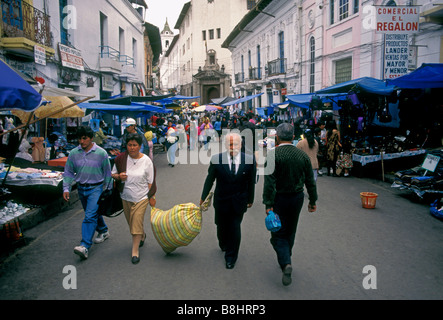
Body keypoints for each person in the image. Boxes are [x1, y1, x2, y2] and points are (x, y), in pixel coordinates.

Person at [263, 123, 317, 286]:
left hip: (280, 199)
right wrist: (313, 200)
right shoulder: (302, 156)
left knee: (277, 233)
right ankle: (287, 255)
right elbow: (310, 181)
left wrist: (268, 204)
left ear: (277, 137)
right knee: (291, 229)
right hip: (297, 198)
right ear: (293, 137)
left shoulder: (273, 155)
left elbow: (269, 183)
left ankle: (286, 262)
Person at [200, 133, 256, 269]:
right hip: (221, 200)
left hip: (239, 201)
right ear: (225, 145)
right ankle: (223, 242)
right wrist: (203, 197)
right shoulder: (216, 159)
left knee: (235, 227)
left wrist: (250, 199)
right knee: (221, 226)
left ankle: (231, 257)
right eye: (230, 144)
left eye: (236, 144)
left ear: (241, 145)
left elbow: (251, 182)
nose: (233, 147)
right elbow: (210, 180)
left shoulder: (249, 160)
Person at [63, 126, 112, 260]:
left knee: (89, 216)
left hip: (96, 188)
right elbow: (68, 172)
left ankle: (84, 245)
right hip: (81, 189)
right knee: (92, 213)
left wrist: (108, 190)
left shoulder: (101, 153)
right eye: (79, 138)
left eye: (84, 138)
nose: (81, 141)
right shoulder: (73, 153)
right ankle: (103, 230)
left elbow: (108, 173)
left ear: (91, 138)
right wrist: (66, 188)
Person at [112, 133, 156, 264]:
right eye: (129, 145)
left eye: (134, 145)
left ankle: (135, 251)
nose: (132, 148)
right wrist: (119, 176)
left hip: (142, 197)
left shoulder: (146, 160)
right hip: (125, 196)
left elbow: (150, 181)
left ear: (140, 146)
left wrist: (151, 196)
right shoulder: (121, 159)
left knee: (136, 221)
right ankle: (141, 235)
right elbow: (112, 174)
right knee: (132, 223)